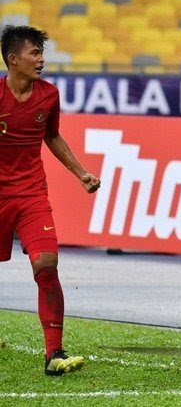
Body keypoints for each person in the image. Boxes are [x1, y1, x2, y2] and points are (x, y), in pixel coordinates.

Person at [0, 25, 101, 376]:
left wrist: (81, 173)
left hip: (30, 193)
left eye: (42, 53)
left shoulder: (49, 94)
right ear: (13, 60)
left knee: (46, 263)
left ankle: (53, 351)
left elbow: (52, 136)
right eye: (34, 53)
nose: (41, 60)